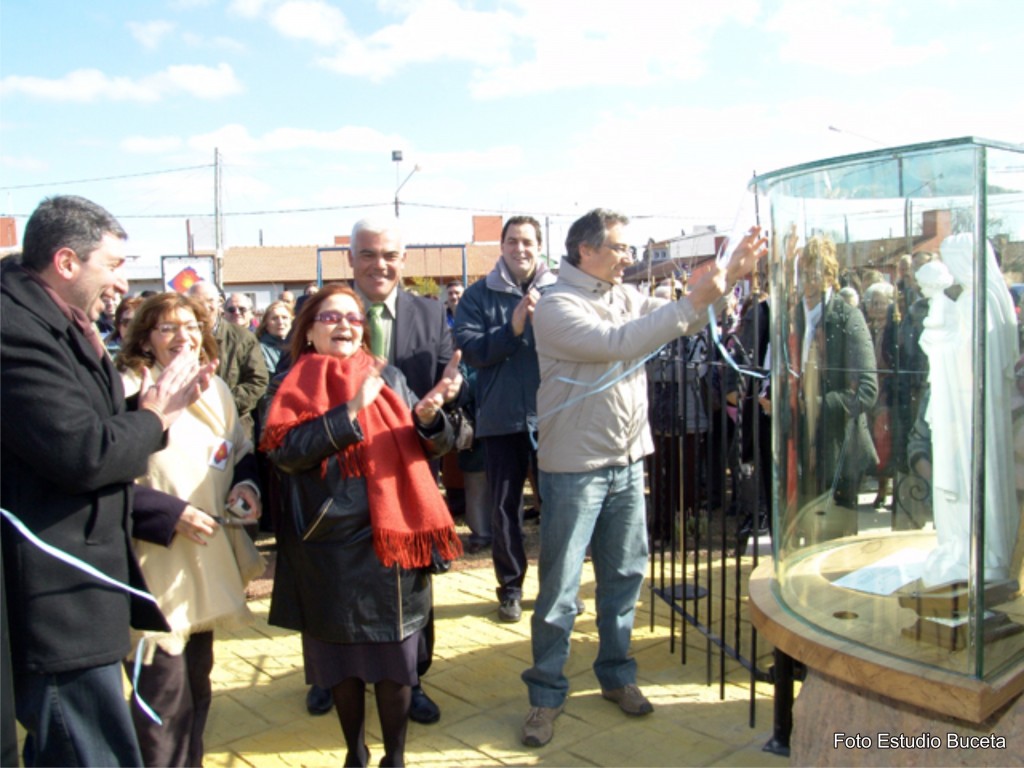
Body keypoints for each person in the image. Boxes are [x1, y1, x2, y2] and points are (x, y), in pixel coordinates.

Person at [520, 208, 766, 748]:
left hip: (629, 462)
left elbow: (685, 319)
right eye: (621, 248)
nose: (629, 257)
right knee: (561, 590)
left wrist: (732, 280)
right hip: (575, 472)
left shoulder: (623, 295)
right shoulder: (556, 305)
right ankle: (545, 695)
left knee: (625, 575)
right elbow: (622, 343)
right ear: (585, 250)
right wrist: (692, 299)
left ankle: (617, 675)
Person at [0, 195, 215, 767]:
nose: (121, 282)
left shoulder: (54, 319)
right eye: (113, 265)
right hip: (55, 593)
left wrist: (147, 411)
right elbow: (82, 452)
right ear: (66, 262)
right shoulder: (15, 330)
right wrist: (155, 416)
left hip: (85, 582)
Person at [260, 285, 462, 767]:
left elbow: (434, 442)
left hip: (395, 544)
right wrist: (349, 411)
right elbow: (284, 454)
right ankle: (355, 751)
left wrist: (432, 418)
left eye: (353, 317)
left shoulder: (386, 373)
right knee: (343, 668)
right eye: (330, 317)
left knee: (395, 667)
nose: (345, 325)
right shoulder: (286, 382)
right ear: (307, 330)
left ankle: (394, 756)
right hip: (328, 547)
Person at [116, 292, 262, 767]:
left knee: (198, 686)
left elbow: (239, 453)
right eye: (168, 328)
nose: (183, 337)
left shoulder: (215, 387)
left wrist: (246, 488)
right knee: (162, 699)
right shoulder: (127, 389)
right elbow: (97, 477)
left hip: (208, 564)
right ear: (145, 340)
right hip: (153, 570)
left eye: (192, 326)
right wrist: (166, 512)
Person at [454, 215, 558, 622]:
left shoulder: (560, 290)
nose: (521, 248)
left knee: (559, 508)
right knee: (505, 510)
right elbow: (472, 350)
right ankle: (510, 588)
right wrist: (512, 328)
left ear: (539, 246)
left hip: (554, 416)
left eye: (528, 241)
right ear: (501, 246)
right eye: (513, 241)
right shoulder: (478, 296)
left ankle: (557, 587)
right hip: (500, 419)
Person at [793, 236, 878, 514]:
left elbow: (866, 390)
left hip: (839, 450)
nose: (807, 281)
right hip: (801, 449)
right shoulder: (793, 317)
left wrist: (817, 404)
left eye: (814, 274)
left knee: (834, 546)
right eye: (802, 273)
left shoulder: (848, 318)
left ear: (830, 275)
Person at [189, 281, 269, 440]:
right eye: (197, 301)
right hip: (193, 426)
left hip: (235, 426)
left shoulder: (242, 337)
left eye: (209, 300)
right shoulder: (183, 337)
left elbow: (258, 381)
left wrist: (222, 402)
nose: (203, 306)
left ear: (219, 303)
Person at [256, 299, 294, 377]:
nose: (280, 322)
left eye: (284, 317)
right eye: (274, 318)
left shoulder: (299, 346)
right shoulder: (259, 349)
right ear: (266, 324)